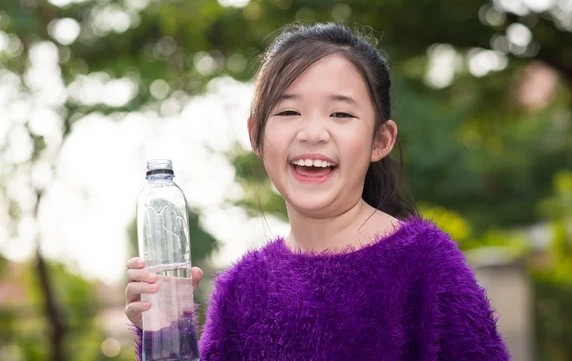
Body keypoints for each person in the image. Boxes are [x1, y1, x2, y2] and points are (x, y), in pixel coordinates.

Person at [125, 23, 511, 360]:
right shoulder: (240, 290)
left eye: (340, 114)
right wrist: (161, 331)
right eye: (289, 112)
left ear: (381, 140)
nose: (313, 133)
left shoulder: (427, 265)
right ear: (255, 134)